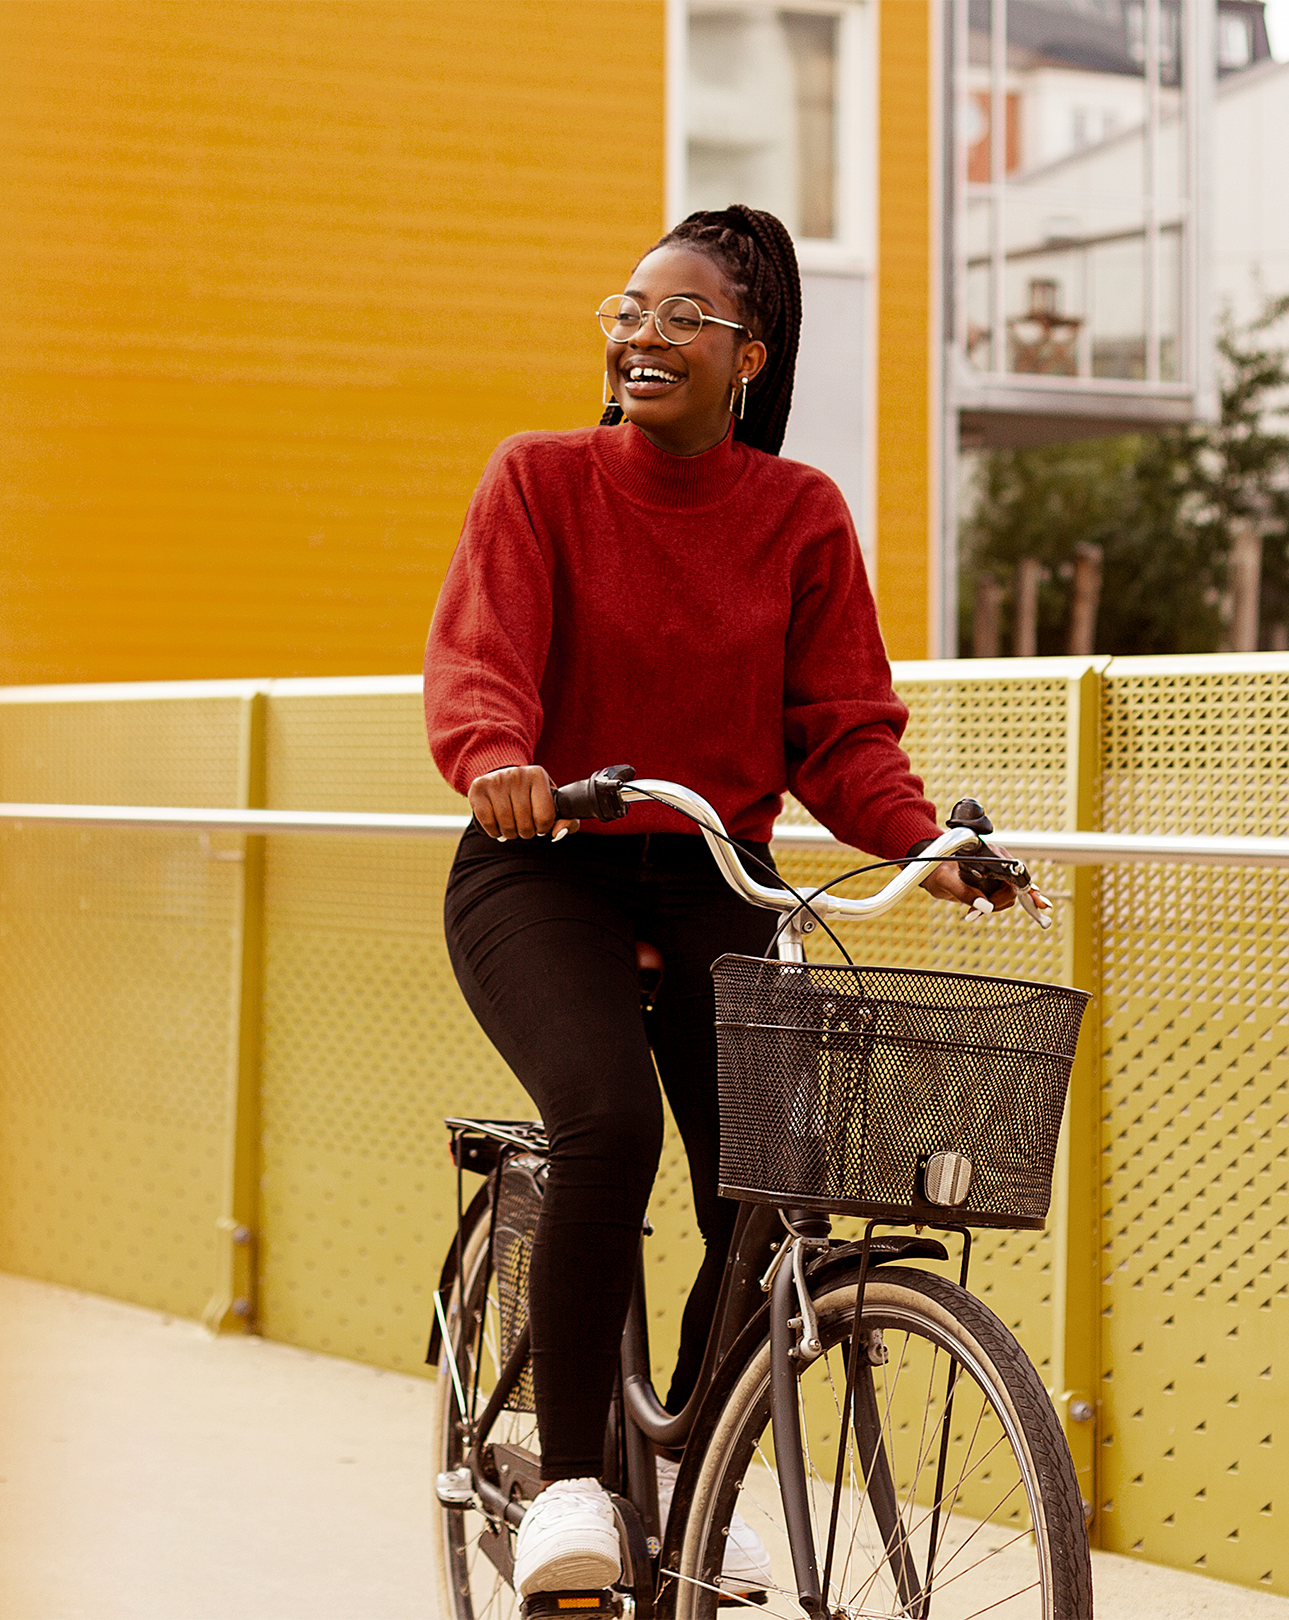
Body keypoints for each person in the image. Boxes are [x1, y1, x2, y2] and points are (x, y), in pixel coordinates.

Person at [423, 204, 1009, 1597]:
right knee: (609, 1122)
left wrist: (934, 842)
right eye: (628, 309)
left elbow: (845, 735)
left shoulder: (798, 518)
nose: (642, 335)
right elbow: (481, 663)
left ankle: (691, 1465)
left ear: (751, 355)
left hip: (710, 871)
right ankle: (574, 1486)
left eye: (682, 317)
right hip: (540, 863)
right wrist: (500, 760)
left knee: (774, 1175)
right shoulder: (540, 482)